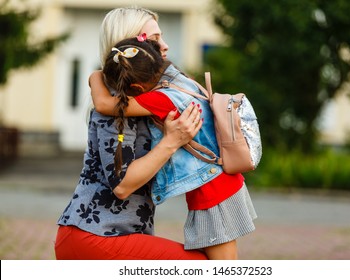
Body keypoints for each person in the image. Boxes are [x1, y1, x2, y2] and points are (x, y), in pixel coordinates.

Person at [54, 6, 207, 260]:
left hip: (116, 234)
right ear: (129, 46)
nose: (166, 46)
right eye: (156, 39)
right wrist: (171, 141)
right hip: (94, 235)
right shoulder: (115, 106)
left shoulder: (141, 100)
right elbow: (122, 185)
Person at [89, 36, 257, 260]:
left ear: (138, 87)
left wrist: (95, 76)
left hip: (212, 190)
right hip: (219, 183)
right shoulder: (177, 76)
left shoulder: (160, 99)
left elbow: (104, 104)